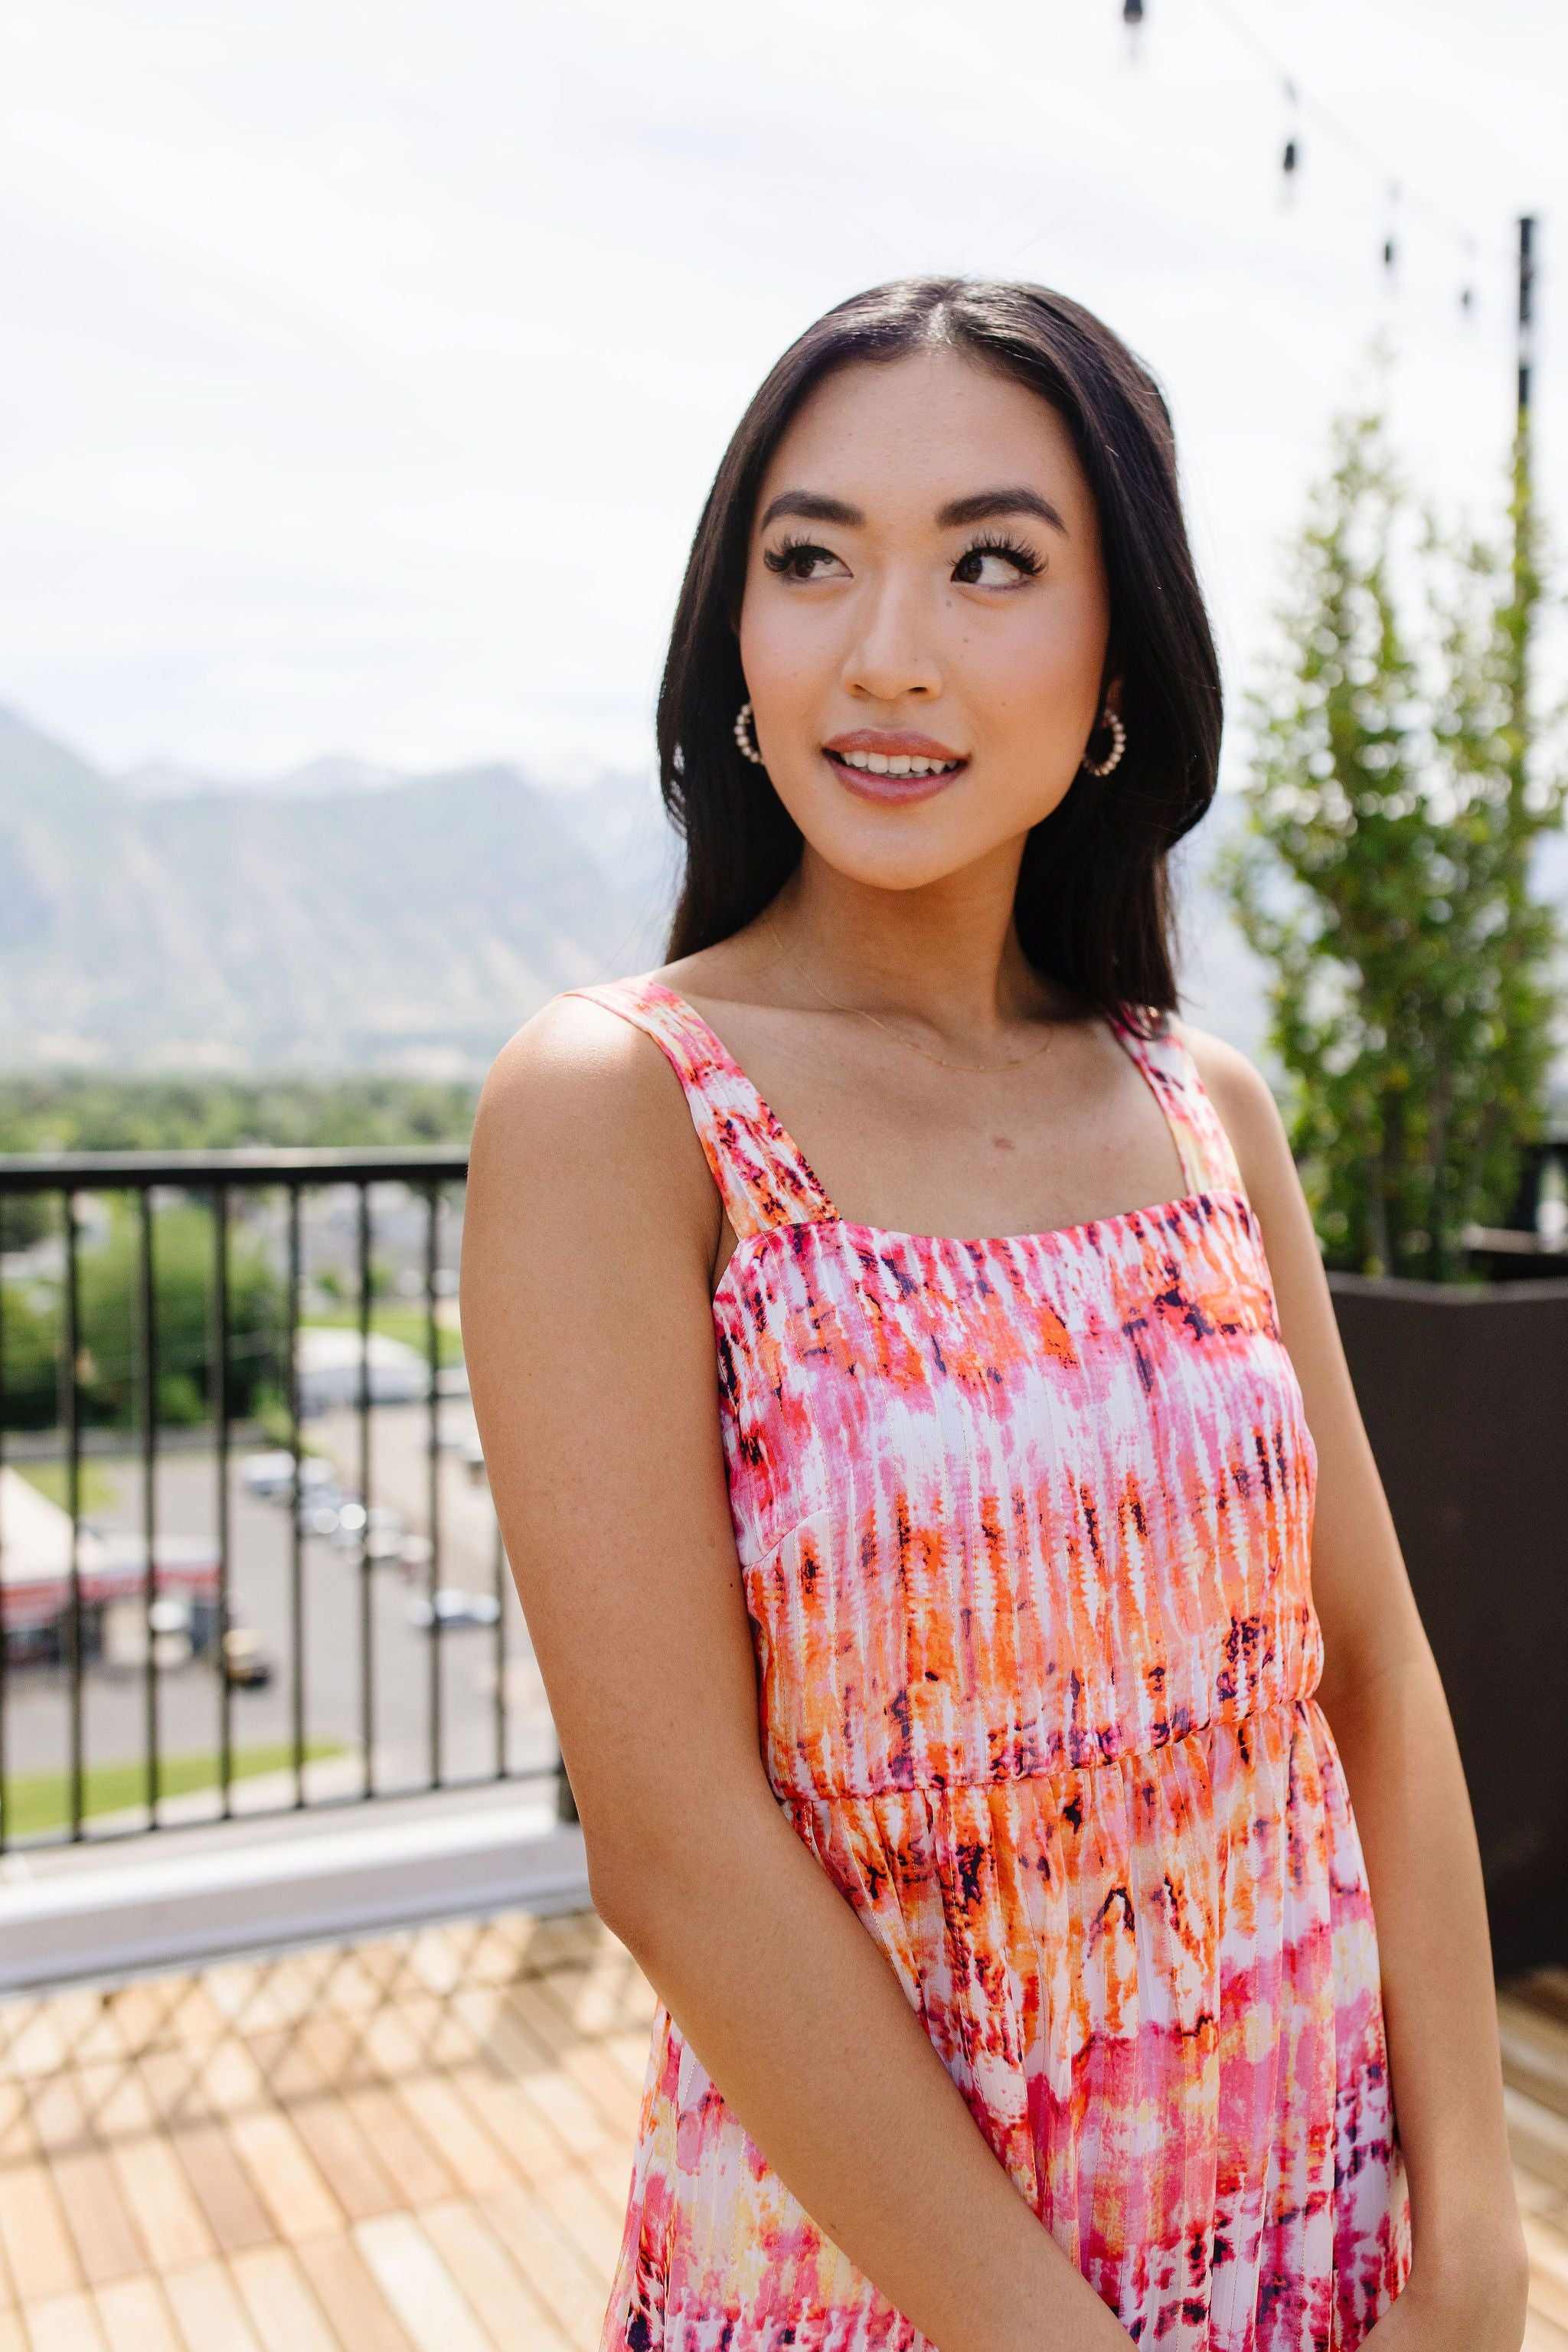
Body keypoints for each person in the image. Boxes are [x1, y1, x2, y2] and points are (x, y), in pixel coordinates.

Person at [460, 278, 1524, 2352]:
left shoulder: (1204, 1107)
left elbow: (1370, 1673)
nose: (887, 649)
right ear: (735, 636)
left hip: (1322, 2249)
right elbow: (677, 1853)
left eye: (992, 563)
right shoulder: (624, 1108)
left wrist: (1473, 2229)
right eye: (812, 559)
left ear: (1120, 653)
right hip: (885, 2297)